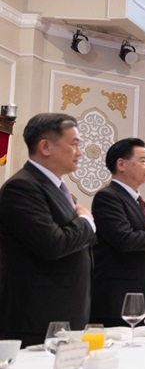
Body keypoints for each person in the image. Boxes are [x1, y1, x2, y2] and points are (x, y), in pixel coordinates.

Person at [0, 113, 96, 344]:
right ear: (45, 146)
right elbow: (53, 244)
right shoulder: (22, 187)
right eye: (74, 144)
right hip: (37, 318)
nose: (80, 152)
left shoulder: (58, 188)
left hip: (66, 312)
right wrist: (86, 221)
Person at [90, 138, 145, 326]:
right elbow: (124, 239)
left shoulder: (139, 201)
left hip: (143, 295)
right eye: (143, 161)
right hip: (118, 298)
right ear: (121, 164)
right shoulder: (108, 197)